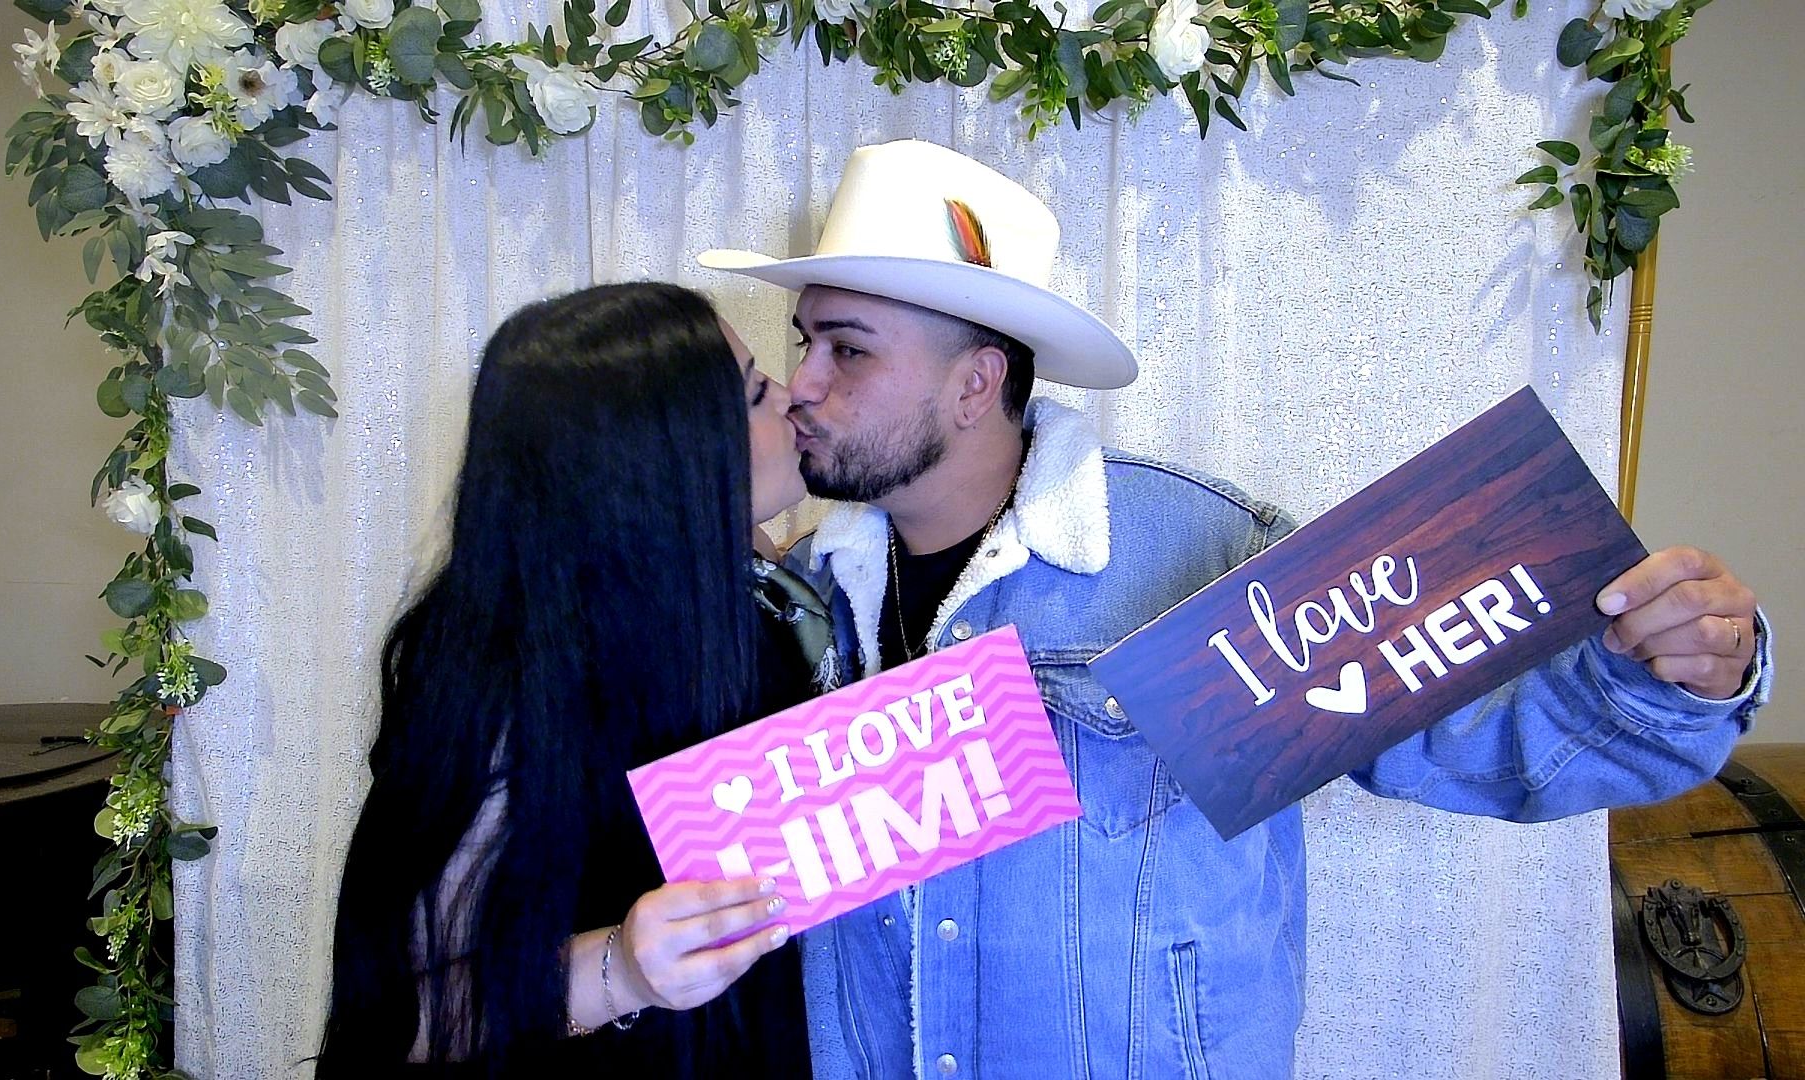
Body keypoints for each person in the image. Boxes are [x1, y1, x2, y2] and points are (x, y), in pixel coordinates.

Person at [699, 140, 1773, 1079]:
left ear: (976, 383)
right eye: (803, 344)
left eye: (847, 348)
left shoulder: (1210, 555)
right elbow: (711, 894)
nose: (803, 385)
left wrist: (1671, 679)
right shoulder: (796, 598)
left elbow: (1474, 737)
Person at [318, 282, 836, 1077]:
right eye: (754, 393)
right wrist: (620, 971)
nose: (792, 399)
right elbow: (405, 1014)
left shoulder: (760, 588)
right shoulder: (502, 676)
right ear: (667, 456)